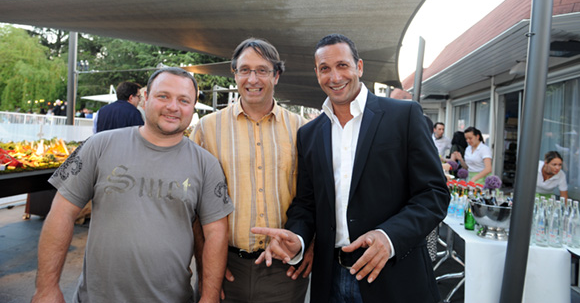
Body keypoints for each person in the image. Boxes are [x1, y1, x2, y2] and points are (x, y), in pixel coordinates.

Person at [252, 34, 449, 303]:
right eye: (325, 69)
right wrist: (298, 237)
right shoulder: (309, 134)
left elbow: (433, 194)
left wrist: (389, 236)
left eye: (342, 65)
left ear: (359, 67)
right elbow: (307, 203)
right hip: (330, 278)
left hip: (394, 278)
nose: (334, 77)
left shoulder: (404, 116)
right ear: (316, 73)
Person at [31, 67, 234, 303]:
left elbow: (216, 234)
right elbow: (61, 213)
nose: (173, 107)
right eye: (163, 96)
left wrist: (209, 297)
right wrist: (46, 288)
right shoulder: (99, 146)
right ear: (145, 98)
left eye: (183, 100)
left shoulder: (206, 165)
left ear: (193, 107)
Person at [191, 38, 311, 303]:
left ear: (276, 75)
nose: (252, 78)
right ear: (234, 74)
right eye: (244, 69)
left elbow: (316, 196)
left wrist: (310, 245)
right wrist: (204, 261)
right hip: (224, 265)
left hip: (285, 270)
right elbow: (193, 205)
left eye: (262, 70)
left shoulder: (303, 130)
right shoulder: (207, 129)